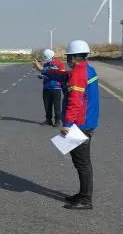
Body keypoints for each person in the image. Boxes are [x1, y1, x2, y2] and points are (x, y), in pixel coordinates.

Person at [34, 40, 99, 210]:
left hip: (80, 124)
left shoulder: (78, 73)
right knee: (81, 162)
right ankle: (83, 194)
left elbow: (74, 102)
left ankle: (86, 199)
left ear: (72, 57)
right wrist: (44, 70)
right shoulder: (86, 69)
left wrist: (67, 124)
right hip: (87, 120)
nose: (68, 60)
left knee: (82, 163)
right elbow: (64, 76)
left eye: (69, 57)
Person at [38, 49, 65, 126]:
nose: (47, 60)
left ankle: (57, 121)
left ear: (53, 57)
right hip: (46, 87)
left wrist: (51, 74)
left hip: (56, 88)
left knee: (57, 106)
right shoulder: (46, 65)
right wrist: (42, 76)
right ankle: (48, 120)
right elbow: (44, 73)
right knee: (47, 106)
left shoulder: (59, 64)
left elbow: (62, 75)